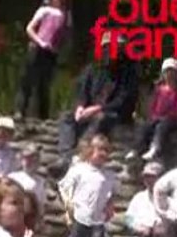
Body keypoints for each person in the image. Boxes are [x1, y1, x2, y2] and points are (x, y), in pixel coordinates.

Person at [53, 44, 138, 173]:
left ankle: (81, 153)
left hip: (114, 113)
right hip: (89, 110)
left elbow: (123, 100)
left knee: (101, 118)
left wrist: (97, 108)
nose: (111, 53)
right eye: (108, 49)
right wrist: (80, 107)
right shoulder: (92, 70)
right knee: (67, 117)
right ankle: (66, 157)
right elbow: (81, 92)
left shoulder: (128, 74)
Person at [59, 134, 118, 237]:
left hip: (97, 220)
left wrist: (109, 206)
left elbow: (112, 194)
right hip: (79, 216)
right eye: (99, 149)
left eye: (106, 150)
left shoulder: (109, 175)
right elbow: (64, 188)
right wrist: (68, 209)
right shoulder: (79, 170)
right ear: (91, 150)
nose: (102, 153)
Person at [16, 0, 69, 120]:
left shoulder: (65, 15)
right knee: (28, 80)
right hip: (37, 48)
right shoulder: (44, 10)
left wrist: (60, 49)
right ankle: (20, 110)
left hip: (51, 52)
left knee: (44, 84)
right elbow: (30, 28)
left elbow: (65, 35)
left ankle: (42, 115)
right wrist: (40, 41)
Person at [128, 58, 177, 163]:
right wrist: (152, 116)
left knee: (162, 126)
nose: (169, 75)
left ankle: (155, 147)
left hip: (170, 119)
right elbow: (153, 105)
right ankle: (137, 149)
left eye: (172, 72)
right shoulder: (158, 90)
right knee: (145, 126)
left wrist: (171, 115)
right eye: (167, 72)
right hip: (157, 117)